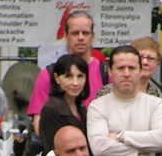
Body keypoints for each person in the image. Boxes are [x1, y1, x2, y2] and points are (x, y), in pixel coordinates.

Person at [27, 11, 107, 139]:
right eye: (75, 33)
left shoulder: (106, 73)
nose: (80, 37)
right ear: (65, 36)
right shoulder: (49, 74)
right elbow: (40, 127)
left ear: (92, 37)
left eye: (85, 33)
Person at [38, 53, 90, 154]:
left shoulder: (81, 107)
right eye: (69, 77)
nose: (75, 83)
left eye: (80, 76)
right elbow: (51, 151)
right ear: (57, 78)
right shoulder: (51, 109)